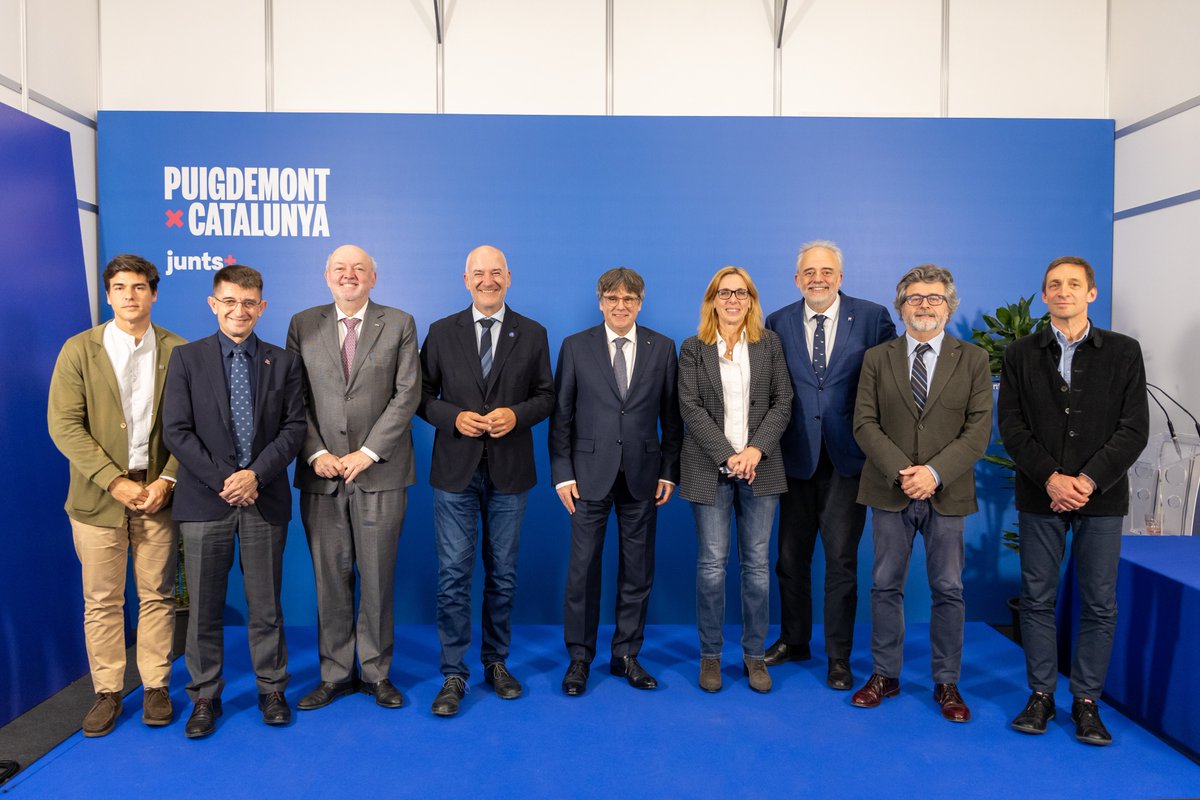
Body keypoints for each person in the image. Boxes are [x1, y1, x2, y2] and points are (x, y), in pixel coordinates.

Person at [999, 256, 1148, 746]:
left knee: (1099, 603)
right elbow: (1013, 428)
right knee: (1038, 599)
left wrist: (1086, 479)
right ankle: (1041, 695)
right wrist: (1052, 478)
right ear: (1044, 296)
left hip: (1101, 499)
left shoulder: (1124, 352)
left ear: (1091, 293)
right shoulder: (1020, 353)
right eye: (1054, 285)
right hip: (1041, 496)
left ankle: (1086, 703)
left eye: (1073, 284)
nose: (1063, 291)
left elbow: (1134, 430)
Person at [163, 264, 306, 738]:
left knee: (266, 605)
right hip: (207, 501)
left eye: (249, 303)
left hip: (264, 499)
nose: (239, 311)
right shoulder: (186, 359)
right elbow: (176, 432)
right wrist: (229, 479)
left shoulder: (283, 362)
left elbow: (293, 430)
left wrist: (255, 476)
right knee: (204, 608)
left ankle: (271, 688)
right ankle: (205, 694)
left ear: (261, 307)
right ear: (213, 304)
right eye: (229, 301)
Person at [48, 254, 186, 737]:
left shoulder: (179, 350)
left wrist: (167, 480)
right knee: (103, 600)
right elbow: (64, 425)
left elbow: (191, 430)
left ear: (153, 293)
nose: (131, 295)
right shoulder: (78, 350)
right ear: (108, 295)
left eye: (140, 287)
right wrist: (114, 480)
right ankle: (107, 692)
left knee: (157, 596)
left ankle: (155, 686)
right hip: (97, 497)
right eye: (121, 287)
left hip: (159, 496)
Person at [417, 245, 555, 717]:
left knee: (504, 575)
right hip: (454, 472)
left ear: (509, 277)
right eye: (479, 273)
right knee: (454, 575)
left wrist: (515, 416)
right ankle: (454, 672)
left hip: (510, 471)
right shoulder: (440, 332)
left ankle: (497, 662)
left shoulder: (533, 333)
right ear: (466, 279)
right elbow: (421, 397)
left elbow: (547, 397)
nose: (487, 280)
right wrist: (454, 418)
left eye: (496, 273)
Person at [850, 265, 992, 721]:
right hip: (890, 490)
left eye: (934, 298)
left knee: (948, 588)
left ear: (949, 306)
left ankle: (946, 682)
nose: (924, 305)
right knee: (884, 585)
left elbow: (977, 432)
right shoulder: (877, 358)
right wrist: (903, 472)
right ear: (901, 306)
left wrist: (933, 473)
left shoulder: (972, 359)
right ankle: (884, 675)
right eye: (915, 297)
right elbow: (864, 424)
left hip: (947, 493)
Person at [287, 244, 420, 711]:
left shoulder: (399, 323)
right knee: (330, 578)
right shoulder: (303, 323)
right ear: (327, 277)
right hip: (321, 475)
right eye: (341, 269)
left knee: (379, 579)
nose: (350, 275)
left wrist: (367, 452)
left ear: (373, 278)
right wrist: (316, 451)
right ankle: (335, 673)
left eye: (359, 269)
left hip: (380, 472)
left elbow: (407, 395)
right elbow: (292, 400)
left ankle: (377, 673)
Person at [764, 240, 896, 690]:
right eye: (809, 272)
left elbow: (889, 385)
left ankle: (838, 655)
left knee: (840, 560)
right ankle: (794, 639)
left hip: (849, 458)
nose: (817, 279)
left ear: (840, 277)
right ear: (797, 279)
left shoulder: (874, 317)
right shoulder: (777, 321)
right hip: (793, 456)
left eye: (826, 271)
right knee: (788, 558)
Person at [549, 267, 682, 696]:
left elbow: (671, 418)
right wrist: (562, 474)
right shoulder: (575, 347)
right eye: (612, 299)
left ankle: (626, 654)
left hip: (643, 476)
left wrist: (669, 469)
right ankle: (579, 659)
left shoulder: (662, 348)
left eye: (629, 299)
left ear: (640, 303)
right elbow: (561, 417)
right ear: (600, 301)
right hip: (587, 477)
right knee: (583, 571)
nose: (620, 306)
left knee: (638, 570)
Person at [678, 267, 793, 693]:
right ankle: (711, 656)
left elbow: (784, 401)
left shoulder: (769, 345)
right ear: (712, 300)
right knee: (711, 567)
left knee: (757, 567)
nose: (732, 300)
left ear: (750, 300)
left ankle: (754, 656)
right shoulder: (693, 348)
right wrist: (728, 455)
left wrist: (754, 451)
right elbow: (689, 407)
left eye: (740, 293)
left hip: (761, 468)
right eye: (724, 293)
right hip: (709, 469)